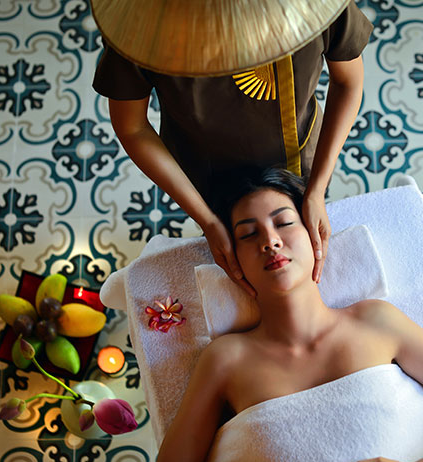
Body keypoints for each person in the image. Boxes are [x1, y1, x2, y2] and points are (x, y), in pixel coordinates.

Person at [152, 167, 423, 462]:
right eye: (248, 234)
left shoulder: (375, 321)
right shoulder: (225, 359)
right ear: (232, 260)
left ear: (315, 235)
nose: (270, 241)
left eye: (284, 222)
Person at [92, 1, 373, 295]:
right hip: (208, 176)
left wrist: (316, 189)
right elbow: (133, 127)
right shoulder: (141, 21)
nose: (272, 243)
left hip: (298, 160)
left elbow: (348, 82)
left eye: (283, 223)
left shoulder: (318, 6)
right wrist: (207, 219)